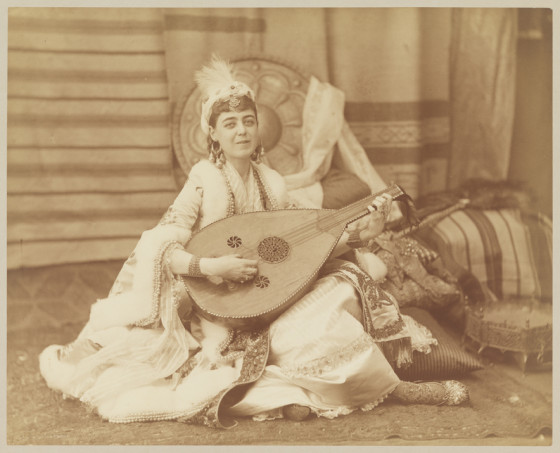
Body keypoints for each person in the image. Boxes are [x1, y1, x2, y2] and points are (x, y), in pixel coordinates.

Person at [39, 56, 468, 427]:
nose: (241, 130)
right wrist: (213, 268)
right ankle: (297, 396)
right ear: (215, 135)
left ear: (258, 128)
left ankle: (367, 390)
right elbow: (162, 247)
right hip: (213, 304)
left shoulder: (274, 184)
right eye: (230, 124)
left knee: (342, 287)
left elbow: (298, 249)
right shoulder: (203, 180)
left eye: (248, 121)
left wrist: (358, 234)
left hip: (267, 295)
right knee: (224, 366)